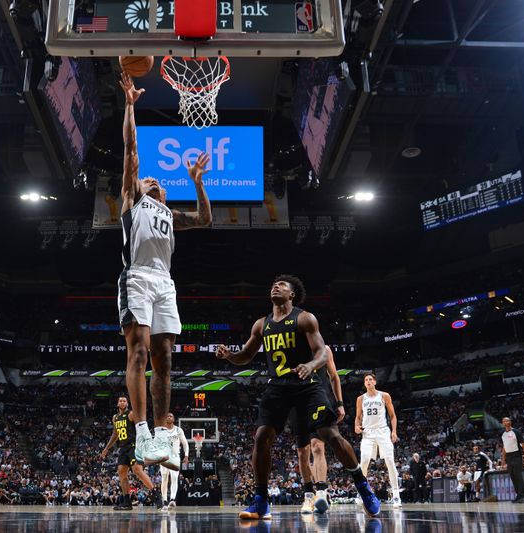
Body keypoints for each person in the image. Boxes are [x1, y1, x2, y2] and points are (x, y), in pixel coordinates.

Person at [216, 275, 380, 520]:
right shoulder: (262, 324)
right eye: (273, 284)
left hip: (308, 385)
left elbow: (322, 353)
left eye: (282, 285)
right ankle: (261, 501)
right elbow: (246, 356)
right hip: (278, 386)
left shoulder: (305, 318)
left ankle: (363, 485)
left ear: (292, 295)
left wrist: (310, 365)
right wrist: (230, 355)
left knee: (329, 435)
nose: (275, 286)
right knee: (262, 436)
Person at [117, 72, 212, 470]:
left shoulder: (171, 215)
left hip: (165, 284)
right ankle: (140, 433)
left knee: (166, 360)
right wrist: (130, 105)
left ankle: (159, 435)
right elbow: (131, 149)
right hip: (137, 276)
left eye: (158, 180)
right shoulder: (132, 200)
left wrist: (198, 183)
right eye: (147, 178)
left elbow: (205, 220)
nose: (152, 179)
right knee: (138, 351)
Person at [291, 346, 345, 514]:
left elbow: (334, 377)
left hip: (318, 400)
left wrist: (340, 403)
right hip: (297, 402)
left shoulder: (324, 349)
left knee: (317, 446)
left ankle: (321, 493)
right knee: (302, 451)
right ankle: (308, 495)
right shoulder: (292, 346)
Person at [100, 395, 158, 510]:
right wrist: (107, 448)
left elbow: (141, 427)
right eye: (120, 401)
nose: (122, 402)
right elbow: (115, 434)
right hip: (123, 447)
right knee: (121, 473)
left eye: (124, 401)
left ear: (127, 404)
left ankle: (156, 494)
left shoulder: (131, 414)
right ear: (117, 404)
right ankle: (127, 502)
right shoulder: (115, 417)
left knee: (137, 470)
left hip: (133, 446)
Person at [355, 373, 402, 507]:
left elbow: (392, 416)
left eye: (370, 379)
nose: (368, 381)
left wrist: (394, 431)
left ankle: (396, 495)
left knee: (390, 461)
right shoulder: (360, 399)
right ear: (364, 383)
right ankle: (361, 492)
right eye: (366, 380)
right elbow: (358, 417)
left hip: (382, 431)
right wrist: (356, 426)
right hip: (367, 433)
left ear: (375, 382)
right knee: (363, 460)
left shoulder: (384, 395)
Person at [160, 413, 189, 511]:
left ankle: (172, 499)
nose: (169, 417)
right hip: (164, 457)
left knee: (174, 478)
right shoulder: (161, 430)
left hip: (175, 457)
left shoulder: (178, 430)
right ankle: (164, 501)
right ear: (165, 419)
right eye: (167, 416)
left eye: (171, 416)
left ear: (174, 419)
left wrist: (186, 455)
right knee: (164, 479)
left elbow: (185, 443)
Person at [500, 416, 524, 503]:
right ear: (503, 423)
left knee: (518, 476)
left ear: (510, 422)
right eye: (505, 421)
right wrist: (503, 460)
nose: (507, 422)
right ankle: (519, 495)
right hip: (509, 457)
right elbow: (504, 447)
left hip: (517, 455)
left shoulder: (516, 432)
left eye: (508, 421)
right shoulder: (502, 433)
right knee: (513, 476)